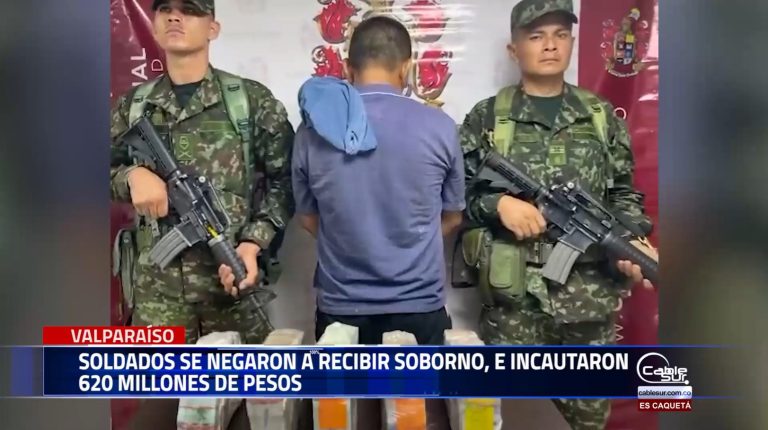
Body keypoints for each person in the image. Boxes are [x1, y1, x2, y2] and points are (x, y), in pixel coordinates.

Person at [458, 0, 658, 428]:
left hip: (590, 311)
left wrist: (632, 236)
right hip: (515, 311)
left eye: (561, 34)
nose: (550, 45)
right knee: (513, 421)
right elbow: (456, 196)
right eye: (536, 36)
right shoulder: (487, 118)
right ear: (514, 50)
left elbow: (625, 194)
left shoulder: (602, 117)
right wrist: (498, 204)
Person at [110, 0, 294, 345]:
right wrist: (132, 176)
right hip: (157, 298)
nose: (174, 16)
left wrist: (254, 243)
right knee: (160, 398)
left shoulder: (250, 101)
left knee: (243, 397)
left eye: (190, 9)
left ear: (214, 28)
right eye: (164, 9)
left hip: (232, 295)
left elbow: (286, 182)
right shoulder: (133, 106)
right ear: (154, 24)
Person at [291, 16, 465, 345]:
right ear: (407, 67)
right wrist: (408, 243)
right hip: (419, 308)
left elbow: (308, 218)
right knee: (416, 399)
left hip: (342, 312)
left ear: (346, 67)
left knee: (346, 399)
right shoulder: (441, 127)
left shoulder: (311, 131)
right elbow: (453, 216)